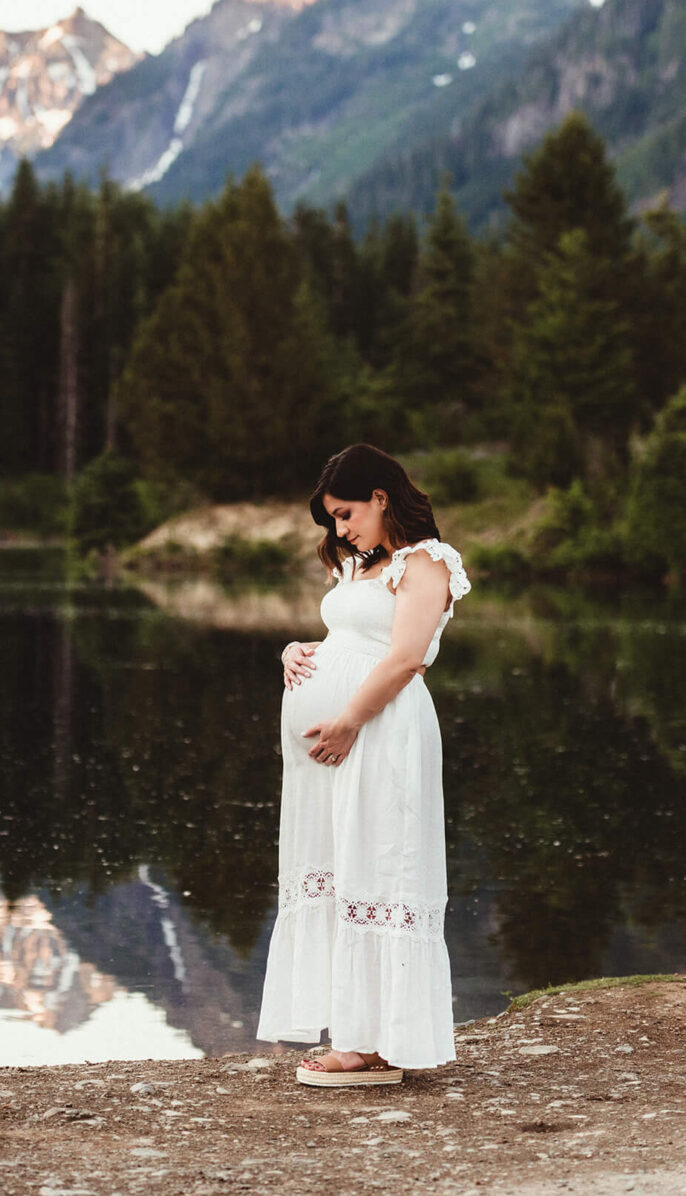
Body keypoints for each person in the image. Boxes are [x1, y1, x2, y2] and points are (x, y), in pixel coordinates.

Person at [257, 443, 470, 1087]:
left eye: (346, 514)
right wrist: (298, 651)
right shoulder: (361, 566)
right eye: (333, 521)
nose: (341, 530)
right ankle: (357, 1033)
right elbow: (349, 641)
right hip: (339, 744)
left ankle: (373, 1047)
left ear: (381, 497)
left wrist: (348, 720)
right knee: (347, 868)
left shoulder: (427, 562)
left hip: (382, 732)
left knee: (381, 864)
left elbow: (406, 658)